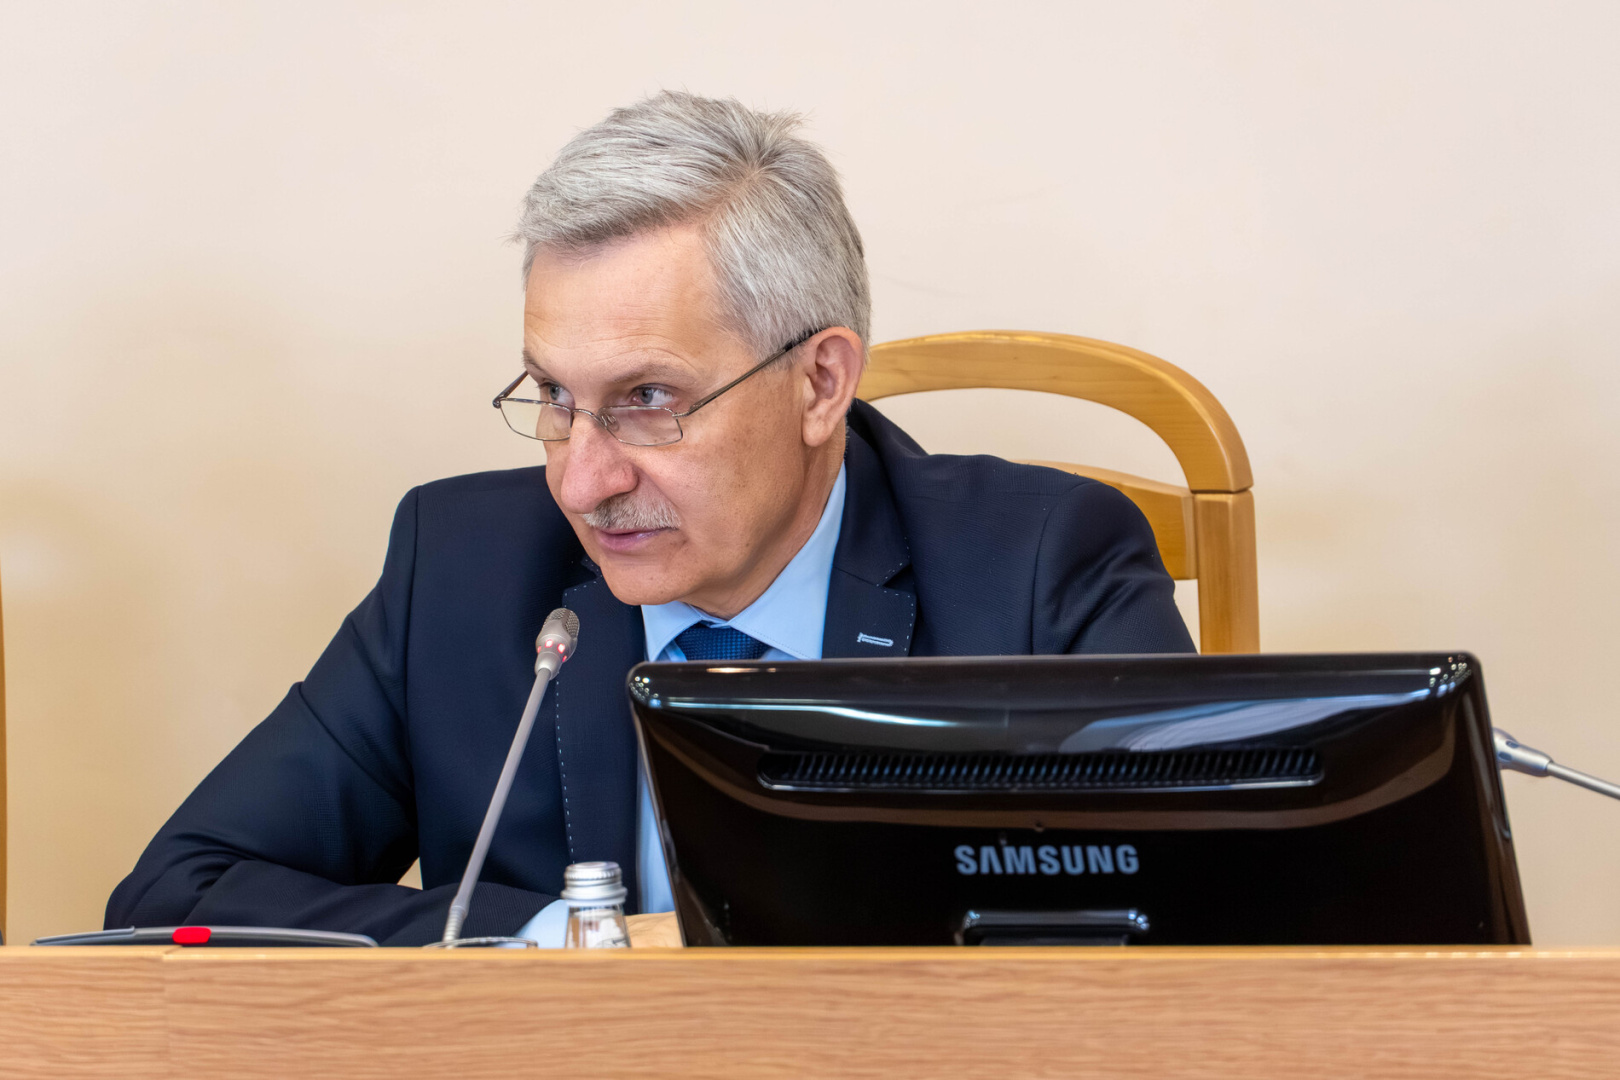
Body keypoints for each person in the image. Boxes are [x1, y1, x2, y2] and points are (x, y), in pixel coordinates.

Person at [106, 91, 1194, 947]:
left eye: (649, 399)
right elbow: (181, 892)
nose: (582, 483)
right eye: (554, 396)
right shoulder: (461, 570)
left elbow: (1193, 920)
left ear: (820, 383)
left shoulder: (1043, 566)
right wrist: (560, 940)